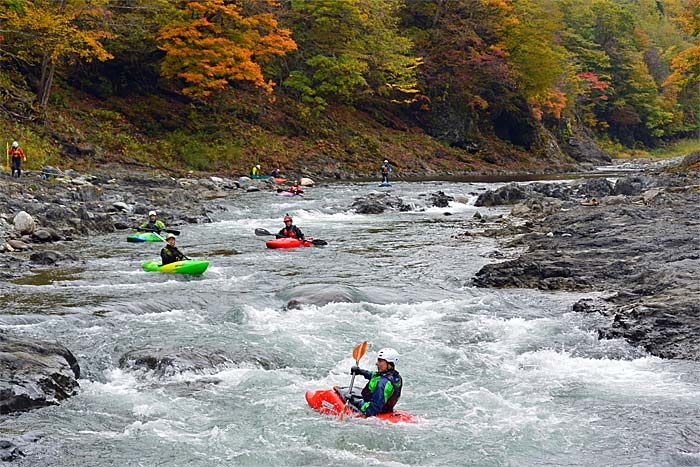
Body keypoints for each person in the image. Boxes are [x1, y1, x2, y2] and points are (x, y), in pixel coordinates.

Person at [348, 348, 403, 417]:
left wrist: (354, 401)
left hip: (374, 410)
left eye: (380, 361)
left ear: (389, 364)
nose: (377, 363)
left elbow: (373, 409)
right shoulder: (396, 377)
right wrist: (361, 371)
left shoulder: (382, 384)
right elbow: (375, 375)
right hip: (387, 409)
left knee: (346, 396)